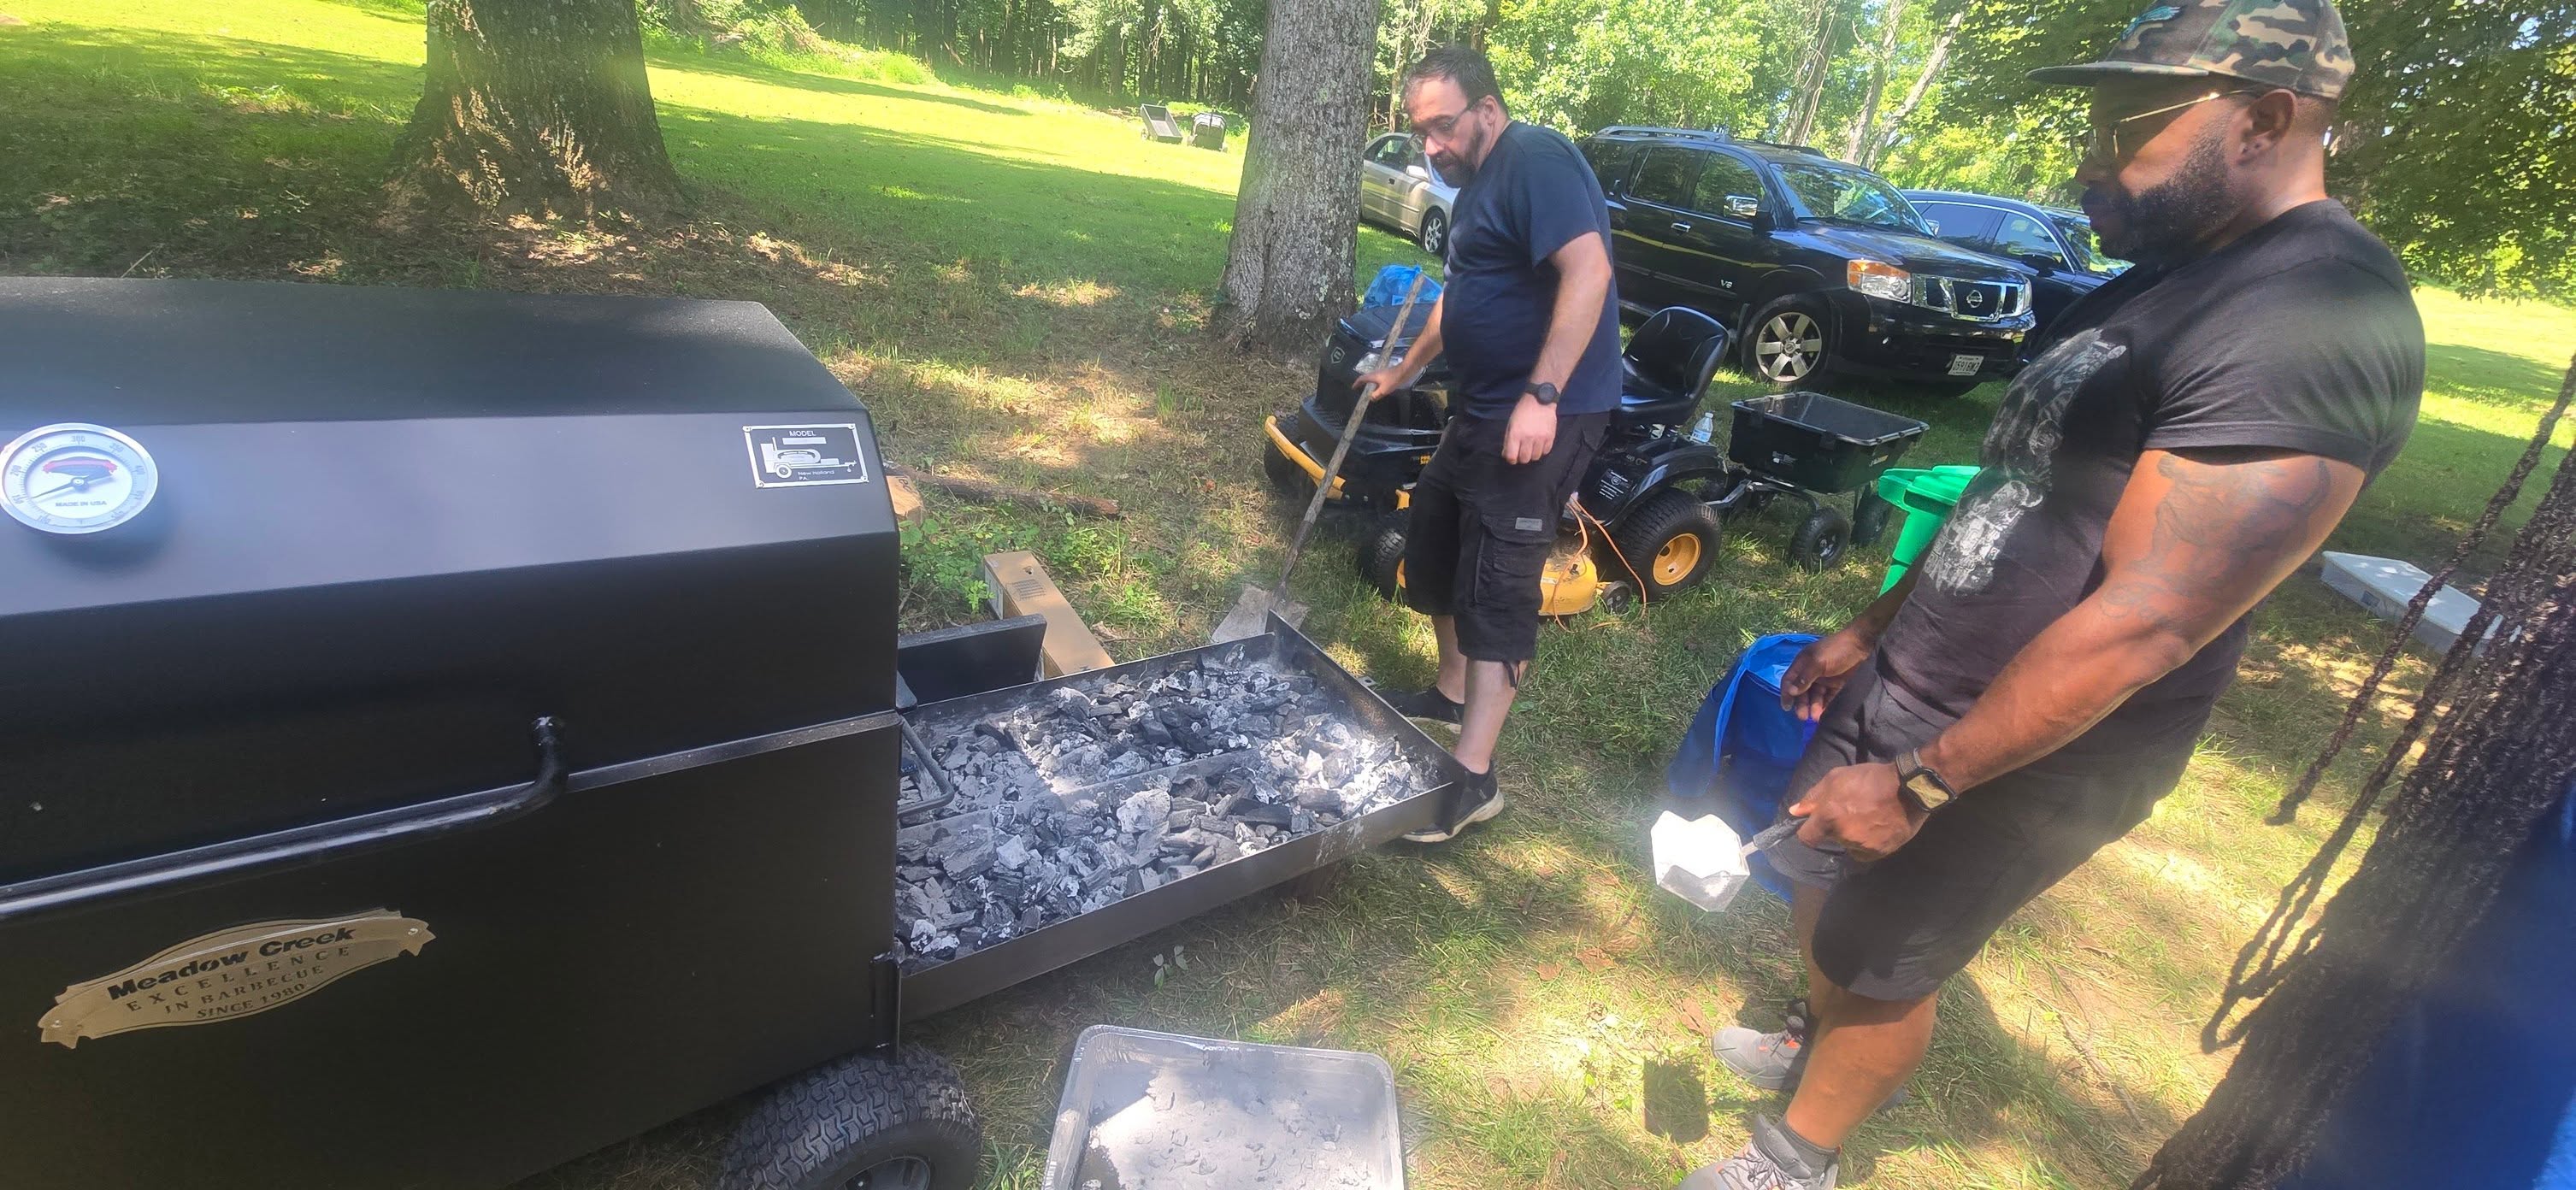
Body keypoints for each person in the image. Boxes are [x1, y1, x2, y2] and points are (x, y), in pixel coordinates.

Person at [1681, 1, 2425, 1186]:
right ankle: (1806, 1033)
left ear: (2268, 118)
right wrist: (1871, 629)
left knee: (1887, 954)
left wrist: (1925, 781)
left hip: (2030, 750)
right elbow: (2010, 488)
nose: (2087, 153)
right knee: (1827, 876)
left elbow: (2152, 620)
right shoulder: (2158, 282)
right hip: (1918, 677)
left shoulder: (2316, 315)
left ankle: (1794, 1156)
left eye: (2127, 121)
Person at [1350, 45, 1621, 844]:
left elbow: (1590, 273)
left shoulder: (1534, 160)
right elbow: (1462, 295)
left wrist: (1542, 397)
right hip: (1479, 406)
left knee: (1497, 580)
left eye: (1442, 126)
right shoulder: (1470, 189)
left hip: (1545, 415)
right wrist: (1405, 369)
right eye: (1418, 129)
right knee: (1433, 536)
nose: (1429, 145)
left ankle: (1472, 780)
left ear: (1487, 111)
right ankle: (1450, 688)